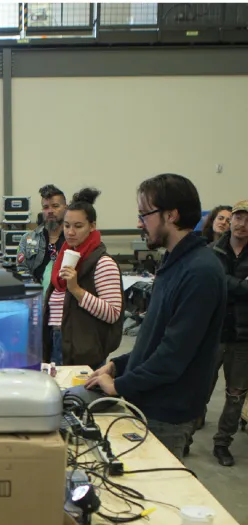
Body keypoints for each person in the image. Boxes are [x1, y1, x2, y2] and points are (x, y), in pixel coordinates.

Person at [86, 174, 226, 459]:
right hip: (148, 401)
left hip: (167, 412)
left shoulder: (200, 272)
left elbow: (173, 356)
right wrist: (118, 365)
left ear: (171, 215)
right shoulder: (174, 262)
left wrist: (119, 386)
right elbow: (155, 337)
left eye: (144, 214)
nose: (139, 223)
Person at [42, 188, 123, 368]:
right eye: (67, 225)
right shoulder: (66, 256)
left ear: (92, 226)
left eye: (78, 226)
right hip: (57, 341)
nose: (70, 232)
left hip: (82, 350)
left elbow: (112, 314)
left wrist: (77, 290)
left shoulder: (103, 263)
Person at [208, 200, 248, 467]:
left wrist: (228, 285)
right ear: (230, 220)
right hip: (214, 332)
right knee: (200, 387)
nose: (242, 224)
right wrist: (242, 286)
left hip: (243, 337)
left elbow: (223, 283)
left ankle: (222, 443)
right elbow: (215, 283)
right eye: (238, 218)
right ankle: (186, 436)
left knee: (236, 395)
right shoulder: (213, 251)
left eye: (247, 219)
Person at [17, 184, 68, 283]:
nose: (50, 211)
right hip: (36, 293)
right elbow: (21, 270)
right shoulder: (27, 239)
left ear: (66, 208)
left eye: (55, 206)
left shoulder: (73, 238)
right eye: (46, 207)